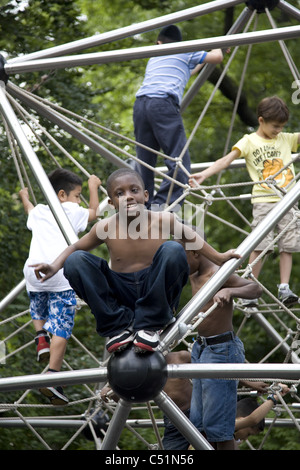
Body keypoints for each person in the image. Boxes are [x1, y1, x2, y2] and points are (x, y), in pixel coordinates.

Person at [30, 168, 240, 356]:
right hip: (121, 292)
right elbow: (75, 247)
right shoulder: (105, 226)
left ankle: (151, 325)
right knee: (76, 260)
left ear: (145, 195)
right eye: (120, 194)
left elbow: (192, 238)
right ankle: (116, 327)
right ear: (111, 203)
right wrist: (55, 265)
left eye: (134, 190)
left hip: (155, 289)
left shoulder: (163, 220)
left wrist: (219, 258)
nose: (128, 197)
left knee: (173, 249)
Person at [189, 96, 300, 307]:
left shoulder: (285, 139)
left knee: (289, 244)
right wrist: (204, 174)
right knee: (261, 245)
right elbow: (226, 160)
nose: (278, 130)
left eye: (281, 126)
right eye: (275, 126)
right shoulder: (249, 141)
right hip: (264, 199)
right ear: (261, 121)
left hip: (287, 200)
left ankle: (284, 287)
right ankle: (249, 284)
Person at [19, 168, 101, 405]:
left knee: (38, 308)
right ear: (63, 194)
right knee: (62, 324)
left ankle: (40, 337)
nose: (79, 201)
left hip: (33, 271)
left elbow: (29, 209)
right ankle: (53, 375)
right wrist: (93, 185)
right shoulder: (71, 210)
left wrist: (25, 196)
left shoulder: (40, 211)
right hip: (58, 272)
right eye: (78, 195)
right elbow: (94, 213)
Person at [133, 24, 224, 208]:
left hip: (141, 105)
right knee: (179, 163)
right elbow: (217, 57)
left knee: (145, 162)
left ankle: (143, 205)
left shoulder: (155, 56)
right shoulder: (186, 51)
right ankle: (163, 205)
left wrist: (202, 58)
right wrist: (218, 45)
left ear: (159, 43)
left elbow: (189, 70)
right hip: (162, 105)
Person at [185, 244, 263, 450]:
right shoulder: (193, 275)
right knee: (198, 423)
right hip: (201, 349)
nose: (180, 266)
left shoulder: (218, 274)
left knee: (219, 427)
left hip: (221, 349)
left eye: (181, 259)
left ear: (195, 253)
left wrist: (230, 290)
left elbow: (256, 289)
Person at [234, 383, 290, 448]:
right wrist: (276, 396)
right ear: (240, 419)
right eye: (248, 434)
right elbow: (253, 419)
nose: (245, 439)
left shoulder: (232, 439)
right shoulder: (226, 425)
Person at [162, 350, 192, 450]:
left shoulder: (181, 357)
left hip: (196, 412)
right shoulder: (142, 368)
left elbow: (210, 366)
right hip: (173, 420)